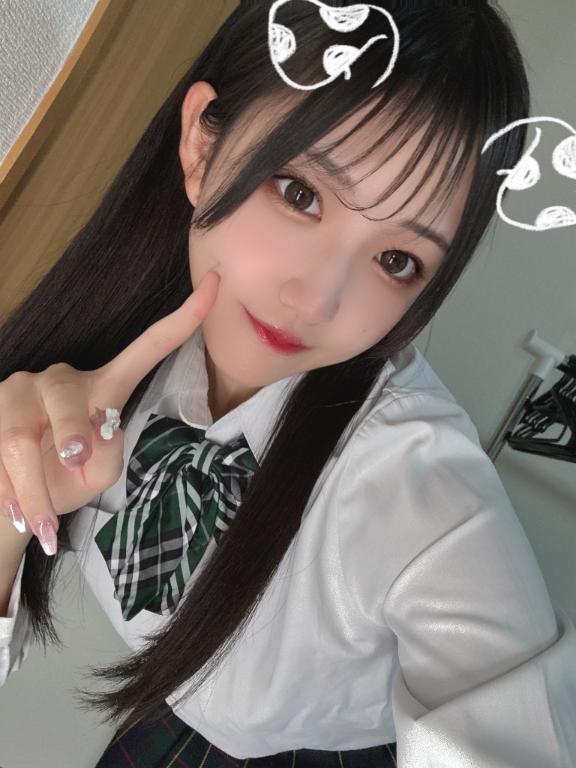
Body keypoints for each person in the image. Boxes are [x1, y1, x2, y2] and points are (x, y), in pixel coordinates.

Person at [1, 1, 575, 766]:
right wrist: (10, 509)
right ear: (203, 144)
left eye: (396, 260)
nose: (314, 301)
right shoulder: (105, 331)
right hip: (161, 719)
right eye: (299, 193)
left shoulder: (422, 489)